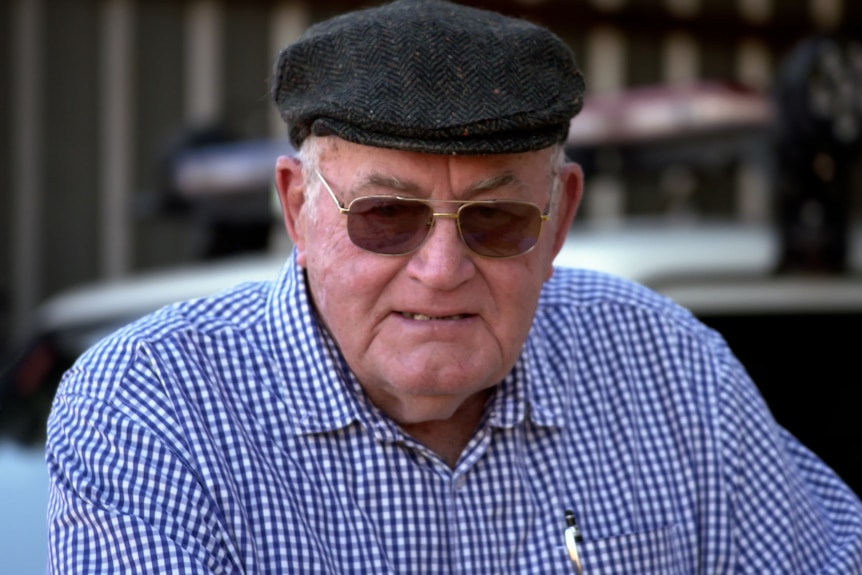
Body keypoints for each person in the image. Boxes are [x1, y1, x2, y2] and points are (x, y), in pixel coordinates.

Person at [46, 0, 862, 572]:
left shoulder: (670, 370)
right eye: (387, 216)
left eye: (497, 220)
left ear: (559, 215)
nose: (441, 270)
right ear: (297, 208)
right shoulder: (152, 404)